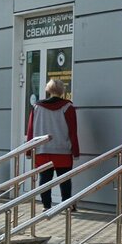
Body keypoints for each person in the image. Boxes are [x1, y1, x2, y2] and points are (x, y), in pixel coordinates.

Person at [26, 79, 80, 211]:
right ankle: (66, 205)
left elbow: (30, 130)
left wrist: (28, 150)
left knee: (45, 179)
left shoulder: (37, 107)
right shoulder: (68, 107)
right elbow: (73, 131)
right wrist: (75, 152)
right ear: (62, 90)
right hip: (63, 150)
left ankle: (46, 206)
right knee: (65, 179)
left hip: (42, 150)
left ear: (48, 90)